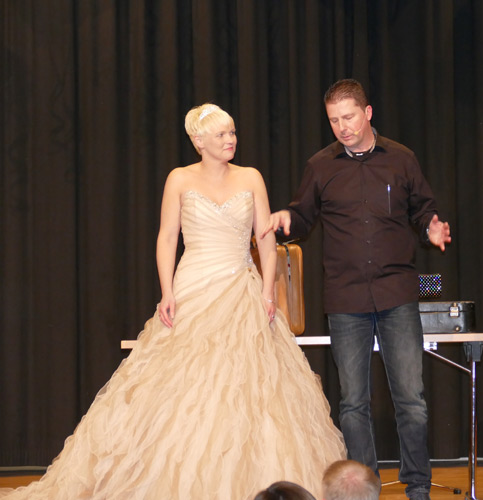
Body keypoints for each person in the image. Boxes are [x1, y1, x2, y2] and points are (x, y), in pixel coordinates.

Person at [0, 103, 345, 500]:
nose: (230, 140)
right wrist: (167, 291)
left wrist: (268, 291)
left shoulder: (251, 177)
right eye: (221, 135)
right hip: (193, 287)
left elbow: (266, 241)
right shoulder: (179, 179)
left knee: (250, 386)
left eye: (232, 132)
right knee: (181, 385)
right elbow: (167, 238)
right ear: (198, 141)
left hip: (241, 289)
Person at [263, 79, 451, 500]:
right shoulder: (320, 166)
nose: (342, 127)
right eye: (334, 120)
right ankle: (363, 491)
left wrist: (431, 226)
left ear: (367, 113)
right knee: (353, 404)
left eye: (348, 117)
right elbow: (302, 215)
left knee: (412, 400)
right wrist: (288, 219)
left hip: (396, 292)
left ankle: (418, 487)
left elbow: (423, 209)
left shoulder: (401, 158)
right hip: (346, 298)